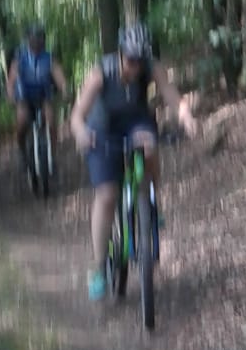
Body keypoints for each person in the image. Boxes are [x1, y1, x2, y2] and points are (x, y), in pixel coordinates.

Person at [70, 22, 197, 301]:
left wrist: (185, 115)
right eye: (130, 60)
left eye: (139, 60)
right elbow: (77, 114)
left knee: (149, 146)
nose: (135, 67)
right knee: (107, 195)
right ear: (120, 54)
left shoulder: (151, 67)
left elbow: (172, 95)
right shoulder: (102, 72)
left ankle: (150, 200)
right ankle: (99, 267)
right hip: (103, 128)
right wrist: (81, 133)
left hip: (135, 122)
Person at [6, 23, 68, 168]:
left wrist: (65, 89)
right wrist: (10, 93)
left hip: (43, 95)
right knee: (22, 121)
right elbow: (12, 78)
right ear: (28, 39)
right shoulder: (20, 57)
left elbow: (59, 76)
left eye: (40, 38)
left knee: (51, 122)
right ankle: (21, 150)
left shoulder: (49, 58)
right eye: (34, 38)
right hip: (24, 95)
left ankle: (51, 156)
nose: (37, 41)